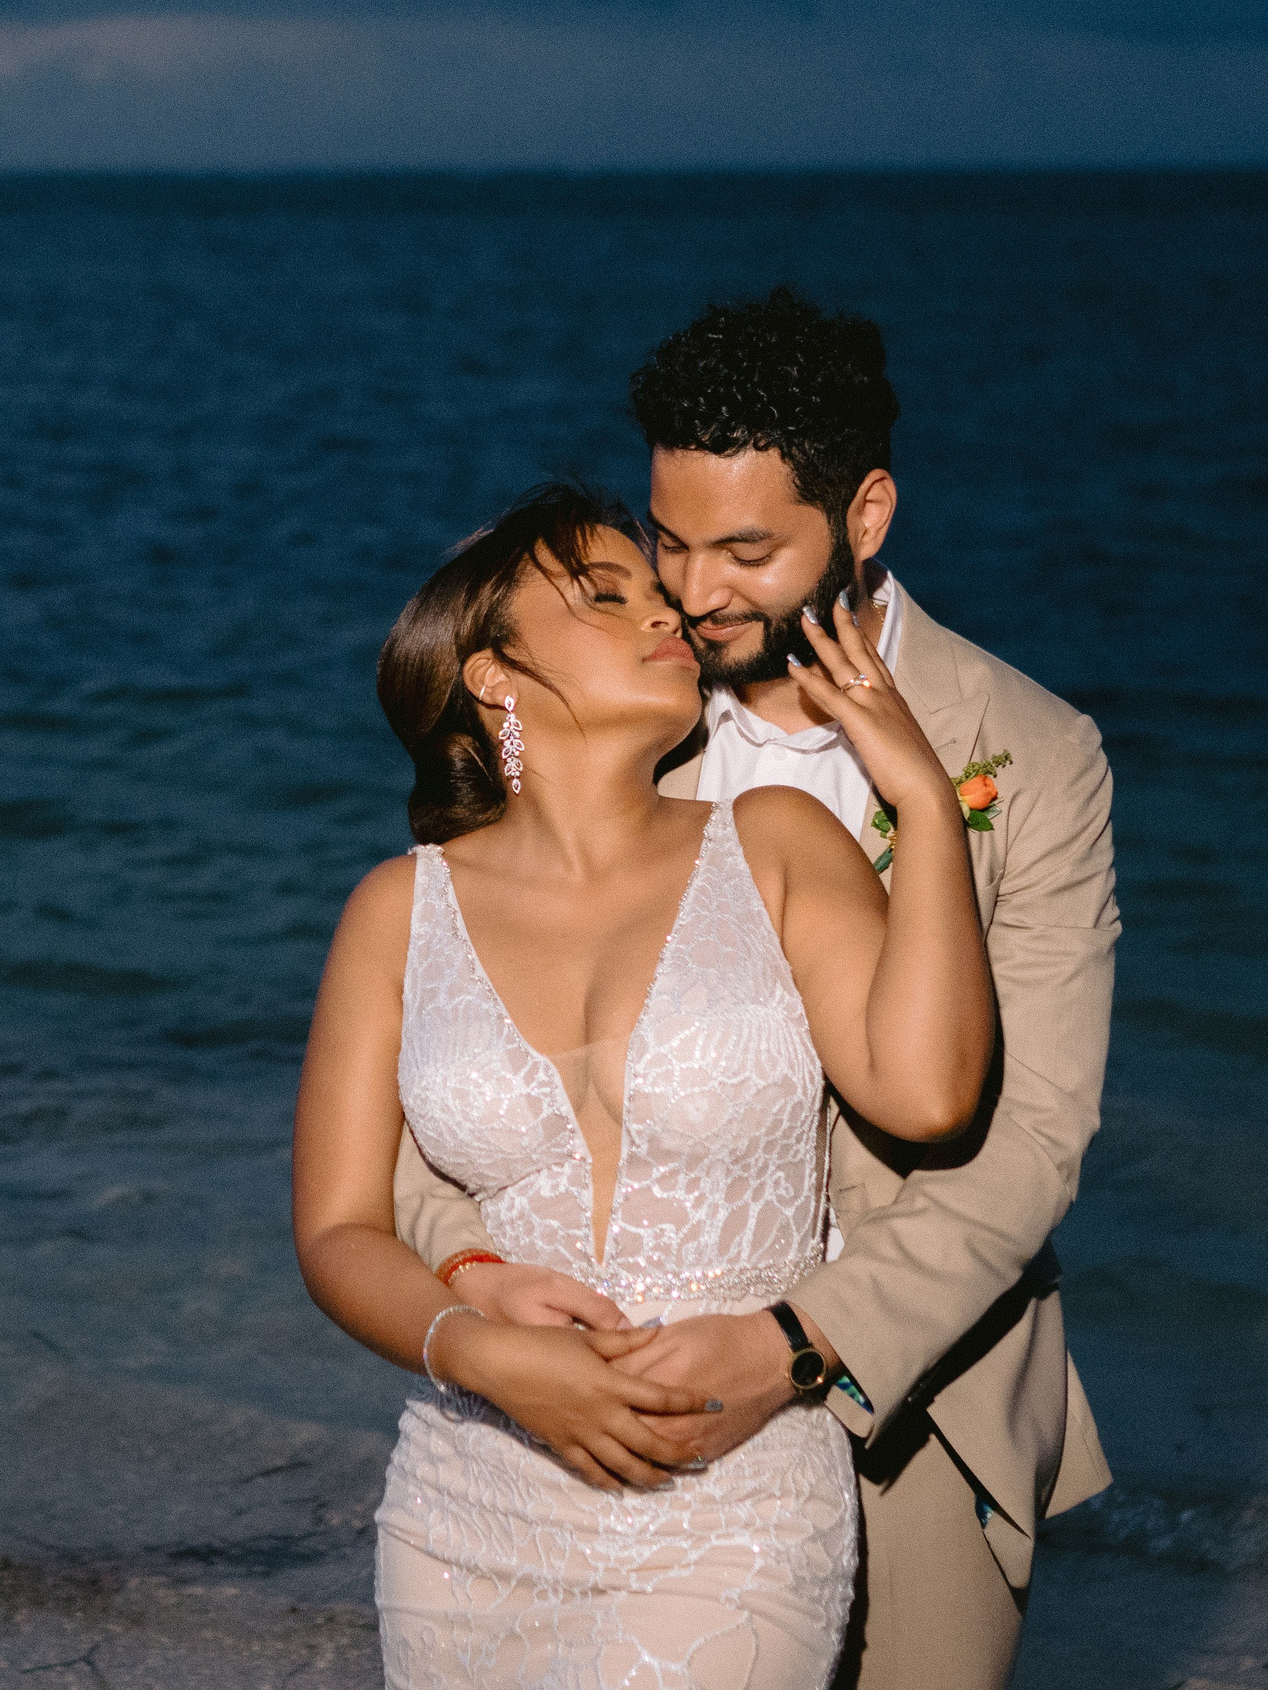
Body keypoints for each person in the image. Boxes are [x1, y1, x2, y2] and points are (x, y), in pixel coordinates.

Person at [396, 290, 1120, 1690]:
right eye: (668, 542)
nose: (696, 590)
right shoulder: (608, 723)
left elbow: (1030, 1145)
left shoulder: (1032, 752)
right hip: (606, 1410)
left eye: (746, 550)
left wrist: (800, 1344)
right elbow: (442, 1061)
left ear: (864, 518)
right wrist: (485, 1289)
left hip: (920, 1400)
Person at [292, 479, 997, 1689]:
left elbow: (926, 1092)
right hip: (470, 1508)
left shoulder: (774, 842)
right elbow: (339, 1228)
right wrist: (479, 1350)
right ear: (491, 676)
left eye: (658, 596)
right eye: (604, 596)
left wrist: (924, 800)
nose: (663, 616)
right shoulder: (396, 911)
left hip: (731, 1492)